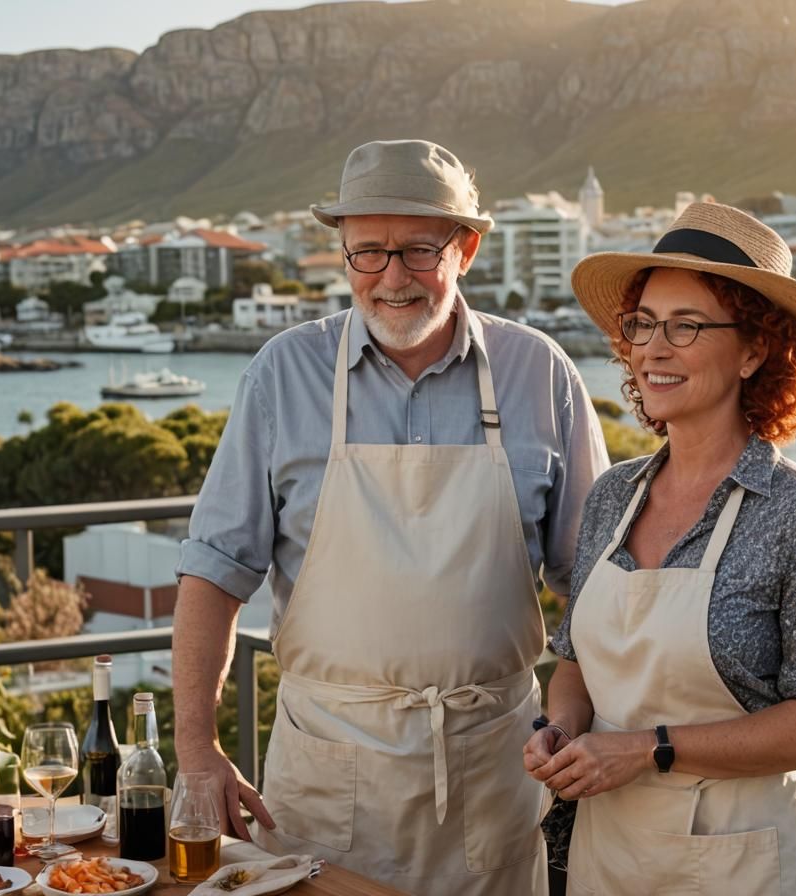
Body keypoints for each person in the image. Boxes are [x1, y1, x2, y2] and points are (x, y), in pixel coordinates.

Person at [173, 139, 610, 896]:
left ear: (465, 249)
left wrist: (591, 730)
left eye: (417, 249)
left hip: (493, 767)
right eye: (367, 252)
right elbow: (213, 572)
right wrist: (196, 749)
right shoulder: (284, 373)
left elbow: (597, 589)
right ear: (342, 253)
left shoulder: (540, 374)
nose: (393, 277)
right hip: (327, 771)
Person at [523, 201, 796, 895]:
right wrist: (559, 727)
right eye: (643, 324)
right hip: (612, 856)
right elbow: (576, 663)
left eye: (687, 326)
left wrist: (648, 749)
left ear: (754, 350)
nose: (654, 348)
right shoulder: (613, 498)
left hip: (748, 863)